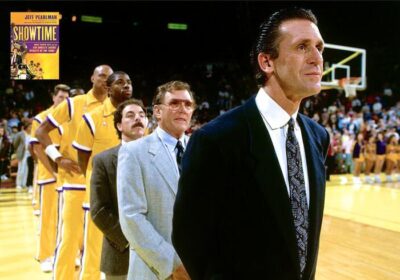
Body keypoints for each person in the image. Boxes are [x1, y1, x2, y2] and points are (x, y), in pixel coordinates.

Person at [172, 7, 330, 280]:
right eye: (302, 47)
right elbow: (190, 241)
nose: (317, 58)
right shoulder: (216, 139)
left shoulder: (318, 136)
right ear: (267, 62)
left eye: (319, 47)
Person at [36, 65, 113, 280]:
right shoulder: (74, 104)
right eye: (101, 75)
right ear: (92, 77)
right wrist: (58, 158)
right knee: (69, 238)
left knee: (95, 241)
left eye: (109, 77)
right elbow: (42, 131)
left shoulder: (115, 108)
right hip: (73, 182)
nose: (105, 80)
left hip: (100, 184)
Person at [117, 81, 194, 280]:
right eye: (175, 103)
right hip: (156, 270)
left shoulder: (201, 150)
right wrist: (172, 264)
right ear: (158, 112)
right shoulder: (134, 152)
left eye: (188, 104)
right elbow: (132, 217)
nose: (182, 109)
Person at [72, 71, 133, 279]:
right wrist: (96, 184)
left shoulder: (138, 118)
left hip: (130, 198)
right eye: (120, 83)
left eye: (129, 82)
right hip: (102, 200)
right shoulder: (91, 118)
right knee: (94, 252)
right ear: (108, 89)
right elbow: (83, 159)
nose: (126, 86)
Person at [91, 99, 148, 280]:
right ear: (119, 125)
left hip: (159, 256)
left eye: (141, 115)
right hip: (120, 252)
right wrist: (133, 241)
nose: (137, 118)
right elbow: (99, 210)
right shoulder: (103, 160)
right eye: (130, 116)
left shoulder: (160, 156)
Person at [29, 83, 70, 272]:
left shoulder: (68, 118)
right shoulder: (41, 118)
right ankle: (45, 255)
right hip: (50, 175)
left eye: (66, 98)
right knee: (49, 217)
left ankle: (65, 252)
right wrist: (53, 172)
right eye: (60, 97)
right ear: (53, 98)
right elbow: (37, 148)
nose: (63, 101)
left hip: (67, 176)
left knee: (65, 218)